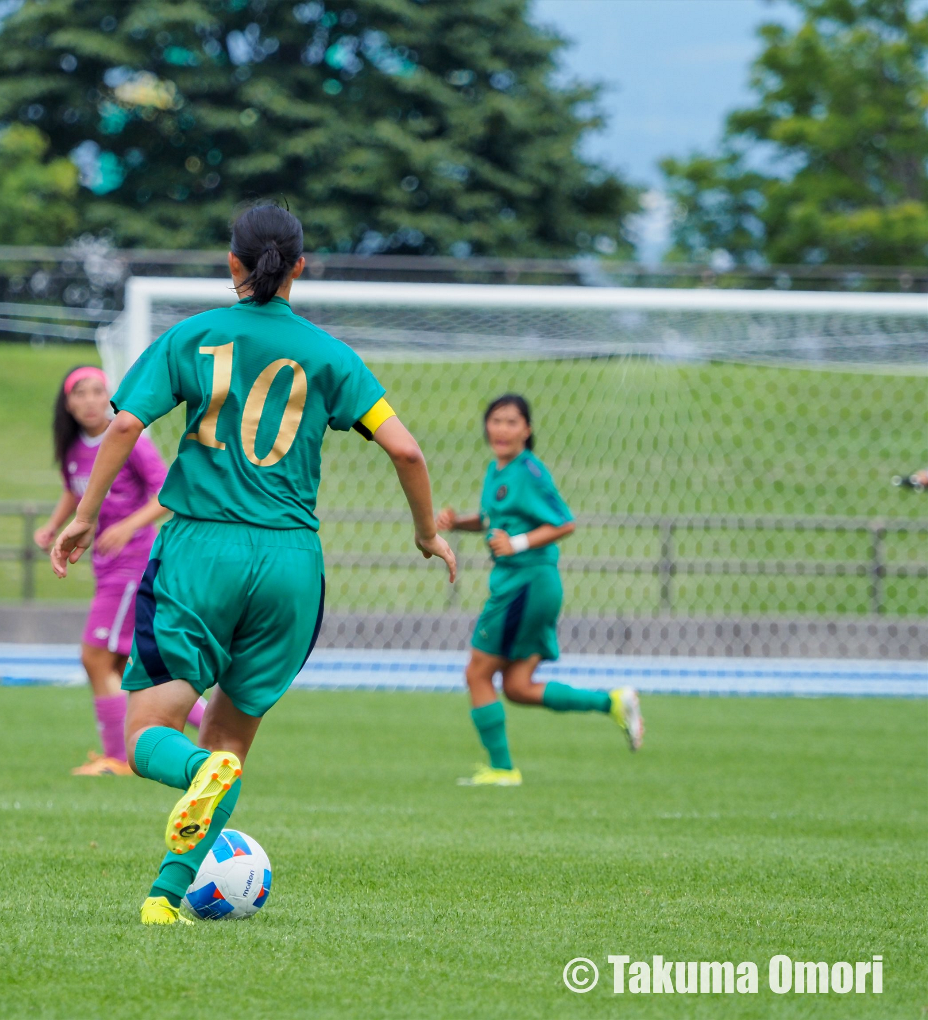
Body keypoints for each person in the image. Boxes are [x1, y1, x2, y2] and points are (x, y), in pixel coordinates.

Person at [51, 203, 457, 924]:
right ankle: (164, 899)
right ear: (301, 265)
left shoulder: (193, 336)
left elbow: (123, 425)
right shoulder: (332, 355)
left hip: (202, 549)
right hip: (292, 563)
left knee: (149, 735)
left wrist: (84, 516)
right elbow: (407, 451)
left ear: (231, 263)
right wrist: (427, 533)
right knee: (230, 744)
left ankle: (194, 784)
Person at [436, 394, 643, 788]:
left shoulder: (529, 470)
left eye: (511, 422)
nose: (501, 429)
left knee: (477, 673)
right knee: (516, 687)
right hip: (528, 585)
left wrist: (516, 545)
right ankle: (614, 702)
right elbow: (493, 519)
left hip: (525, 585)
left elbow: (565, 523)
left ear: (527, 430)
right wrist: (458, 522)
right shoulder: (499, 469)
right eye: (495, 421)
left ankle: (502, 769)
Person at [34, 366, 205, 776]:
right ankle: (213, 720)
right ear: (68, 403)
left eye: (98, 391)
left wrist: (129, 526)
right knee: (132, 665)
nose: (91, 400)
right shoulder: (73, 447)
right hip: (104, 567)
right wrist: (54, 525)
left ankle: (115, 758)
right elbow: (73, 488)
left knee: (94, 658)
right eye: (81, 393)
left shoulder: (131, 441)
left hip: (133, 566)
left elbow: (169, 493)